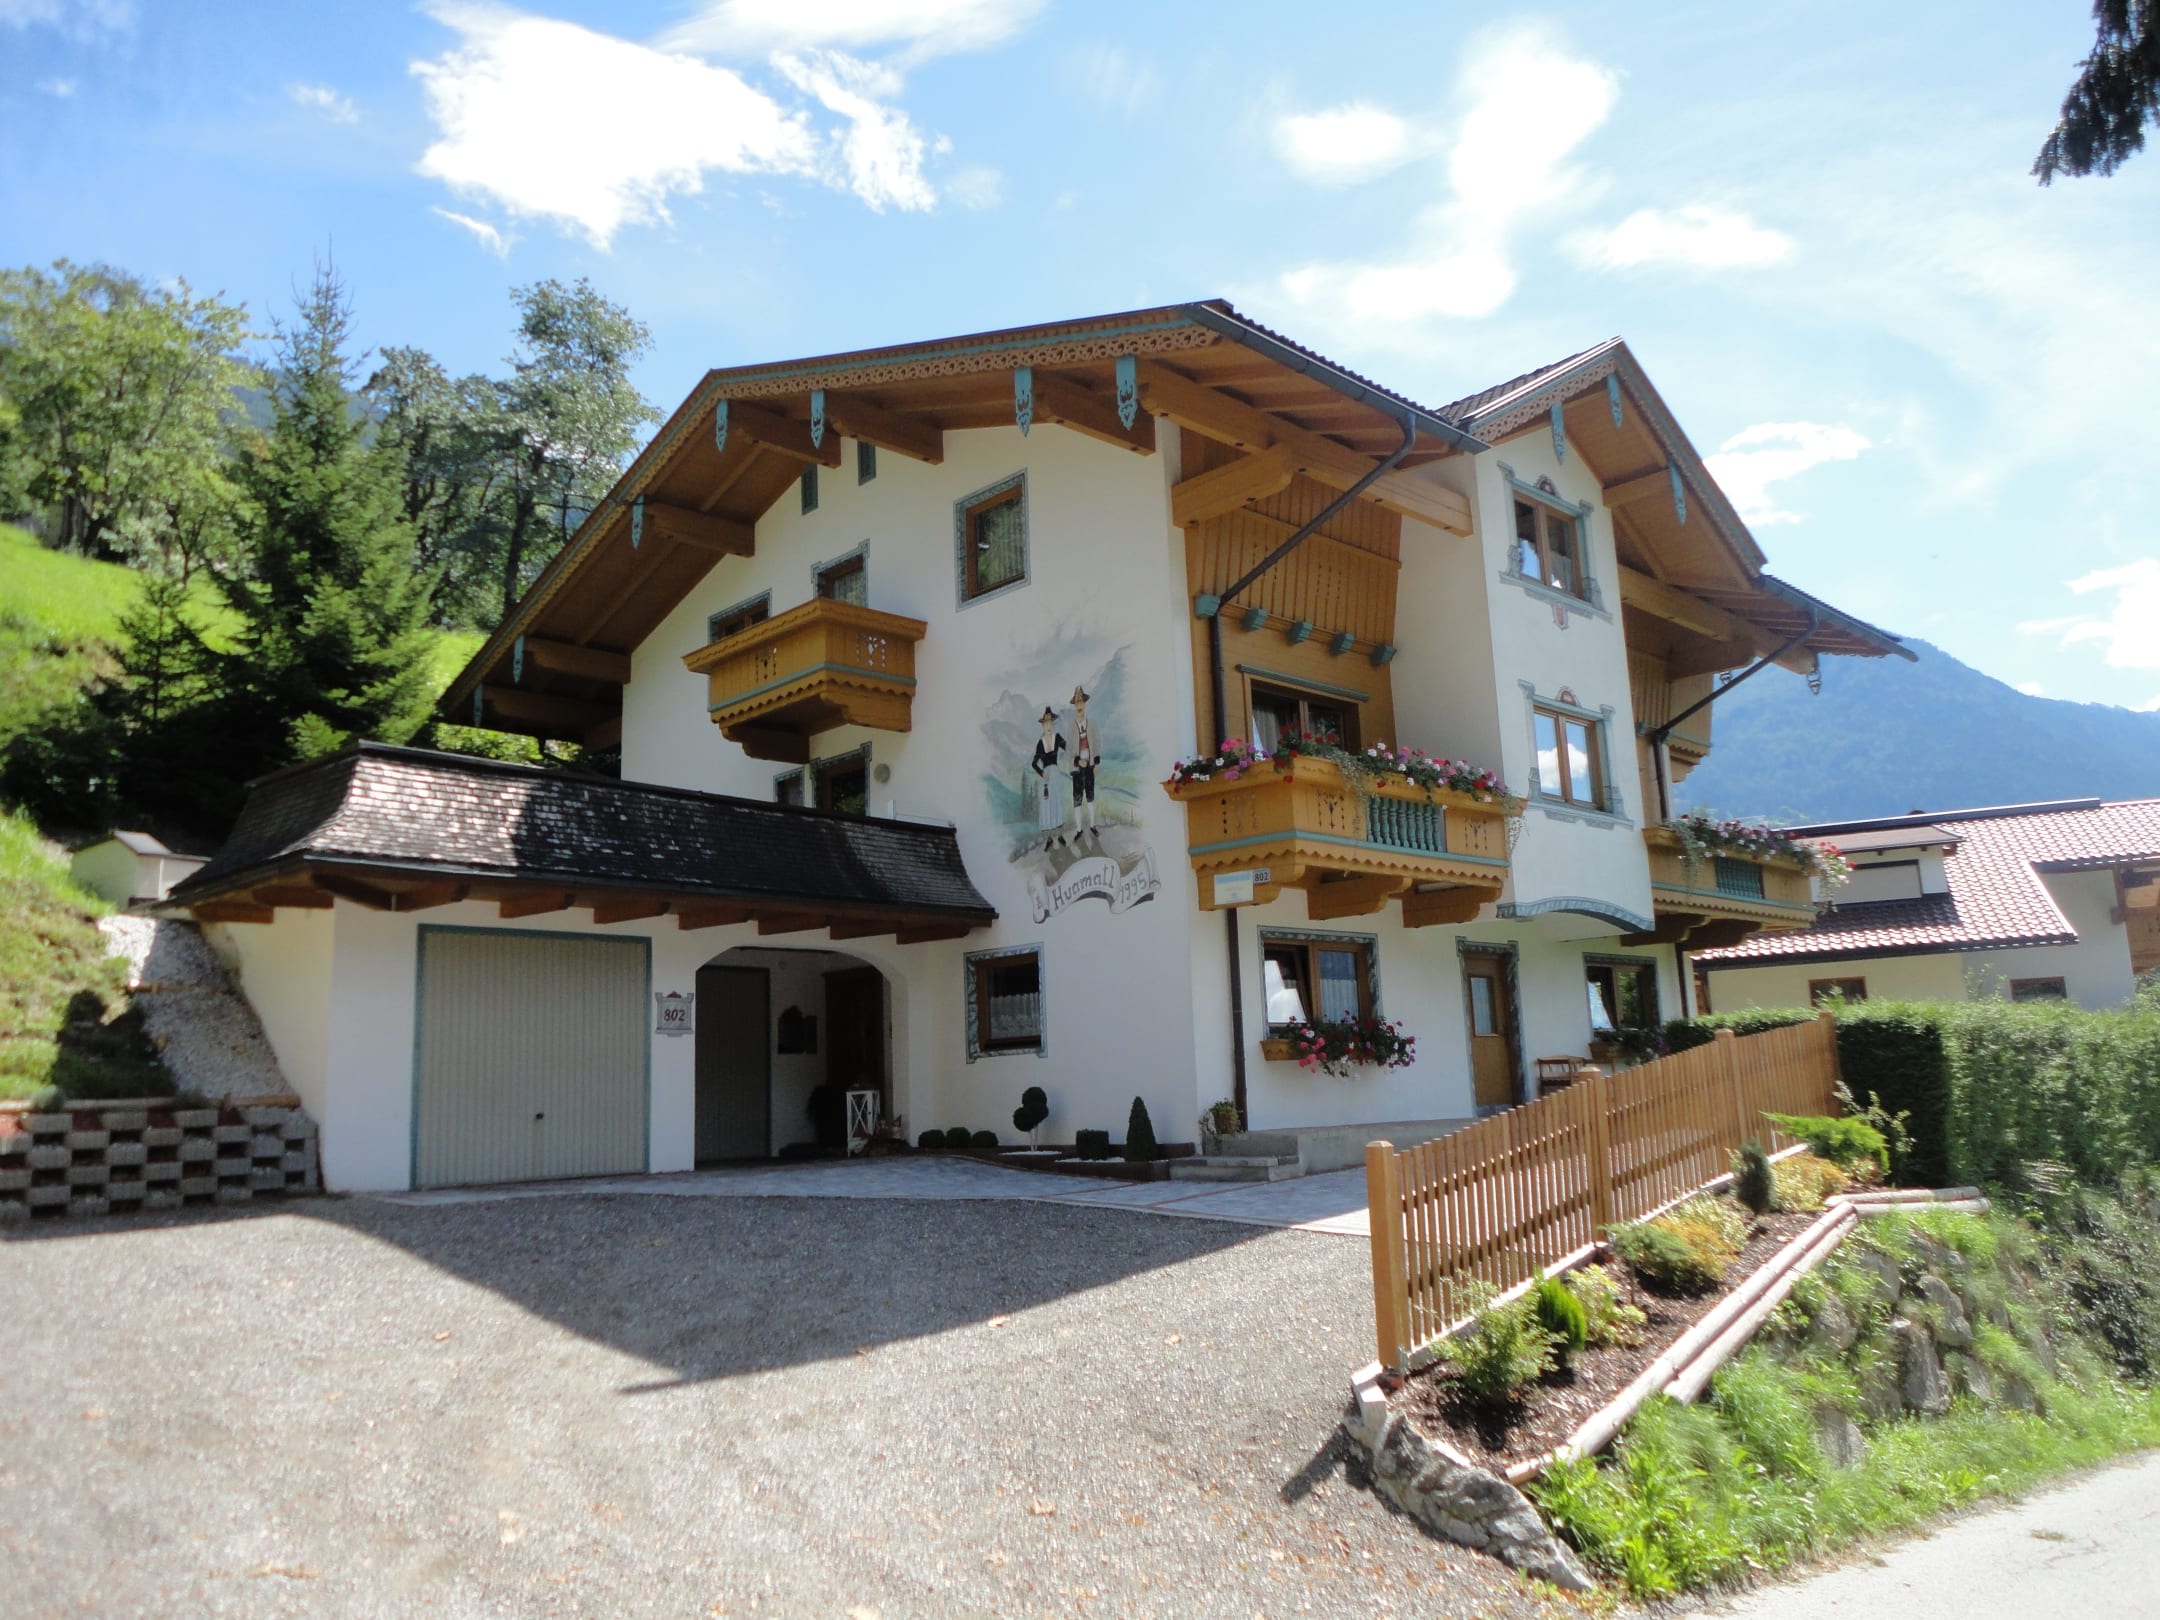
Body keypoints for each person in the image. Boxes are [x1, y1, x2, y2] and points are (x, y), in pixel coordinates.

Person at [1031, 706, 1068, 851]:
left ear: (1053, 724)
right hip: (1046, 778)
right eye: (1045, 723)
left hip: (1056, 775)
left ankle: (1060, 835)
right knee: (1047, 806)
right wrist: (1041, 773)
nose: (1048, 726)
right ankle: (1050, 838)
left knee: (1057, 803)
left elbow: (1068, 748)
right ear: (1043, 725)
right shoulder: (1040, 743)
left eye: (1050, 723)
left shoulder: (1057, 738)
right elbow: (1034, 763)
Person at [1069, 684, 1102, 844]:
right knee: (1077, 800)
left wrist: (1096, 763)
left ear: (1085, 704)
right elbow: (1069, 750)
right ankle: (1078, 830)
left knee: (1090, 797)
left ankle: (1093, 825)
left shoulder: (1092, 724)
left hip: (1089, 767)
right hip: (1077, 769)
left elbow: (1097, 743)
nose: (1079, 706)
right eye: (1077, 703)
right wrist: (1077, 761)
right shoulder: (1071, 728)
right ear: (1074, 706)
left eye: (1081, 702)